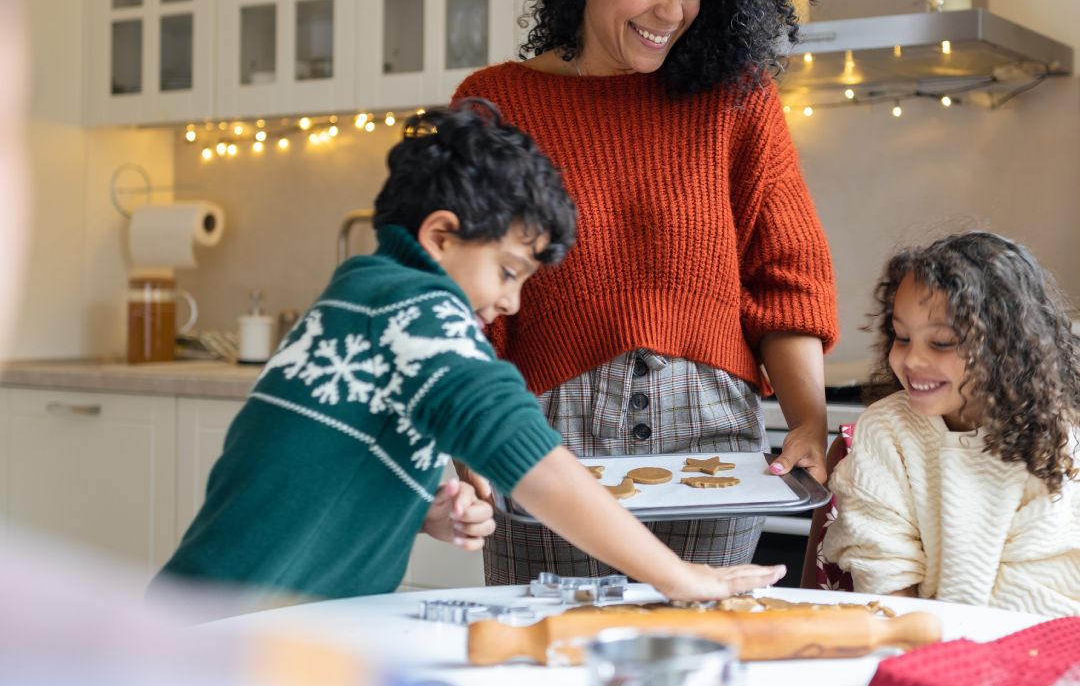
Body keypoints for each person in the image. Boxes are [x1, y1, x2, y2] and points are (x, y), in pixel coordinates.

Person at [155, 101, 784, 606]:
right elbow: (534, 459)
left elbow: (316, 469)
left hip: (210, 615)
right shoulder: (419, 312)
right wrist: (678, 576)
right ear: (440, 237)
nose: (511, 303)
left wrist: (414, 509)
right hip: (240, 638)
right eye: (508, 272)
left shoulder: (360, 293)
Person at [453, 0, 839, 584]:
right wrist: (469, 436)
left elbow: (784, 274)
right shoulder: (495, 102)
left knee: (694, 665)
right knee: (549, 673)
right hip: (545, 440)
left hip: (713, 445)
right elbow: (466, 300)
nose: (672, 14)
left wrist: (808, 419)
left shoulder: (734, 98)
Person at [822, 232, 1080, 615]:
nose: (911, 360)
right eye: (902, 336)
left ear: (1007, 348)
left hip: (1026, 643)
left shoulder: (1053, 436)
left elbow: (1045, 586)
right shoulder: (886, 430)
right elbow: (879, 562)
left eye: (941, 342)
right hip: (918, 644)